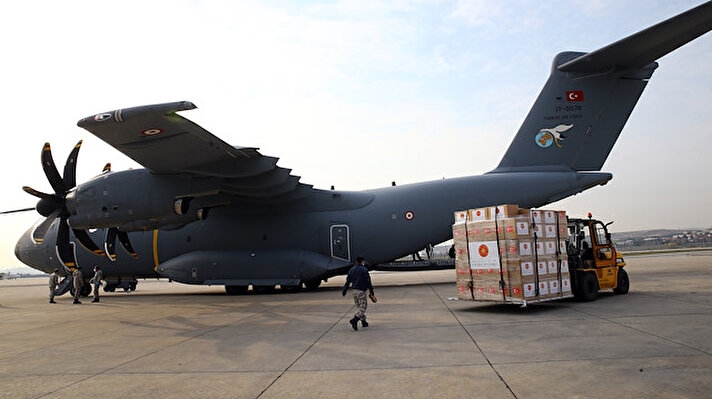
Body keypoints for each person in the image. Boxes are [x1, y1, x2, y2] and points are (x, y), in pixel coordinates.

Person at [342, 256, 375, 331]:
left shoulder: (352, 270)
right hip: (361, 291)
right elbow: (368, 281)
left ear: (356, 261)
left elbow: (348, 281)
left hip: (354, 291)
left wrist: (345, 289)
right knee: (363, 307)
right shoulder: (364, 270)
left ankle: (364, 322)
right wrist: (371, 290)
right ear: (362, 261)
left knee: (359, 307)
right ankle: (355, 320)